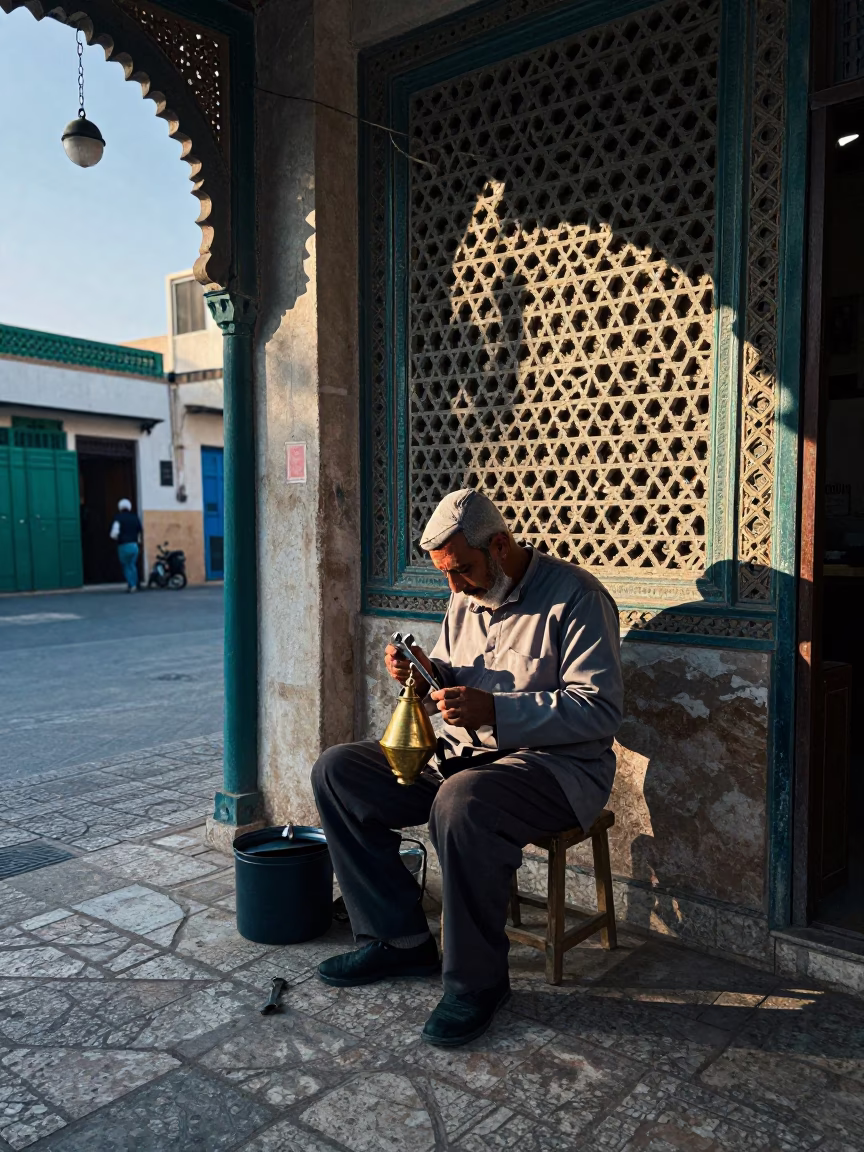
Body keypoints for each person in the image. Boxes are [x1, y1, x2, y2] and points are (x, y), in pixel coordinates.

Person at [312, 488, 623, 1047]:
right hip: (462, 756)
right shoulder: (463, 596)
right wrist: (426, 673)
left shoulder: (576, 597)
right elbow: (460, 676)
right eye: (446, 576)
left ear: (500, 545)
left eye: (462, 571)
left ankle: (477, 985)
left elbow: (599, 709)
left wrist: (498, 711)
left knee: (463, 803)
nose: (454, 588)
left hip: (552, 770)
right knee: (338, 771)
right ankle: (399, 941)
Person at [110, 499, 142, 592]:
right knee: (133, 565)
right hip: (134, 545)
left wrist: (117, 538)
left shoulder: (118, 518)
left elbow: (114, 533)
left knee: (126, 566)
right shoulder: (135, 517)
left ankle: (131, 585)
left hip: (123, 545)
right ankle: (136, 584)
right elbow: (139, 531)